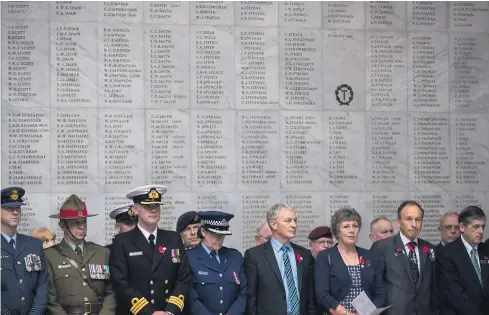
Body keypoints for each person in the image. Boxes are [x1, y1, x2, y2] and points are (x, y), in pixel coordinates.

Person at [110, 185, 192, 315]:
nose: (153, 210)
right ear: (135, 209)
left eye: (156, 206)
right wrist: (149, 312)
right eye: (147, 206)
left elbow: (184, 278)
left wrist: (170, 311)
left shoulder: (173, 238)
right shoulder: (122, 242)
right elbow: (121, 282)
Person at [44, 194, 116, 315]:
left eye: (83, 221)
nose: (81, 226)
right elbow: (50, 299)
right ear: (62, 226)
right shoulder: (50, 256)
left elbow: (111, 291)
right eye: (75, 222)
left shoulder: (102, 253)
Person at [244, 203, 316, 315]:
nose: (294, 225)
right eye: (288, 220)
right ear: (273, 224)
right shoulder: (254, 256)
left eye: (295, 220)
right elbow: (251, 298)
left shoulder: (305, 255)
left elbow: (310, 296)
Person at [371, 200, 437, 315]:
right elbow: (374, 285)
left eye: (418, 220)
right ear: (398, 222)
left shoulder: (429, 249)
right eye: (408, 219)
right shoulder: (382, 248)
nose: (414, 224)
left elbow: (434, 288)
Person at [315, 207, 385, 315]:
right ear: (337, 232)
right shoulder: (325, 256)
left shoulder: (370, 256)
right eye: (346, 226)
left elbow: (380, 293)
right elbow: (322, 294)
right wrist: (345, 313)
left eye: (355, 226)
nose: (351, 230)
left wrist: (370, 312)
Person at [186, 211, 247, 315]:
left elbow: (244, 292)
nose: (219, 239)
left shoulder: (235, 257)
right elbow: (190, 296)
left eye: (222, 235)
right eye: (215, 234)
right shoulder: (189, 258)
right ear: (204, 232)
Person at [1, 187, 49, 315]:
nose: (15, 212)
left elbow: (42, 283)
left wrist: (36, 311)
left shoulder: (33, 244)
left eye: (17, 208)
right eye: (9, 208)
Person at [437, 206, 489, 315]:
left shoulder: (486, 250)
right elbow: (455, 294)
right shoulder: (447, 253)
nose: (481, 231)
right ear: (462, 227)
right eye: (476, 227)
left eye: (483, 227)